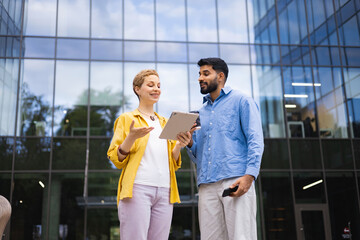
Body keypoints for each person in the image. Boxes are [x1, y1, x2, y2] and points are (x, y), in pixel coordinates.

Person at [107, 69, 191, 240]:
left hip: (165, 191)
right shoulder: (127, 119)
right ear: (137, 89)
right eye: (151, 85)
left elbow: (172, 163)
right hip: (137, 188)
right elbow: (116, 159)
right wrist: (130, 137)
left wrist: (179, 146)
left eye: (159, 86)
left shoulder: (165, 122)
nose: (156, 89)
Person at [187, 58, 264, 240]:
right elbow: (201, 155)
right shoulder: (200, 113)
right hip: (206, 185)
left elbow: (256, 140)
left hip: (235, 179)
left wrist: (250, 175)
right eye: (199, 74)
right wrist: (190, 143)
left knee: (241, 236)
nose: (200, 78)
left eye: (206, 74)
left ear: (220, 76)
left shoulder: (242, 101)